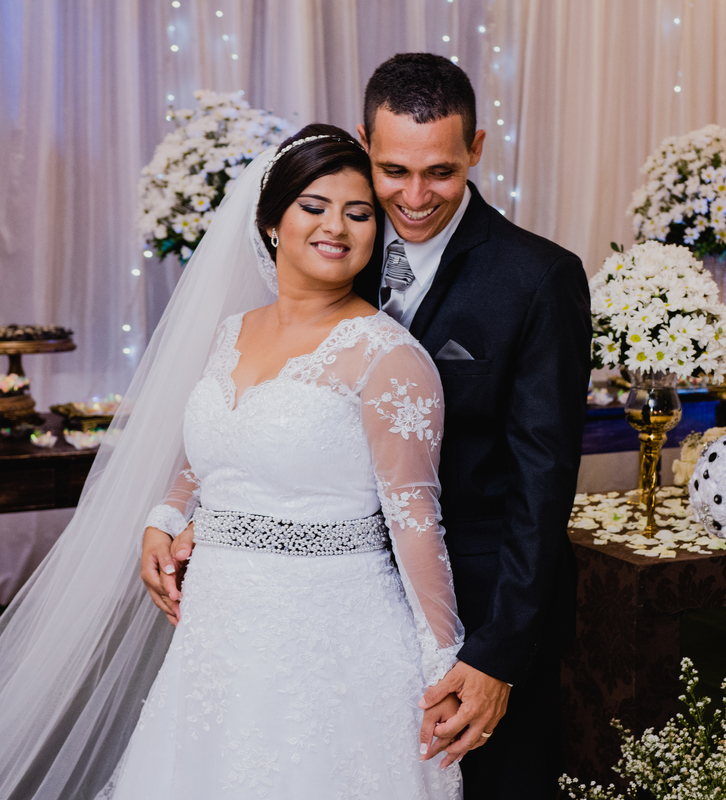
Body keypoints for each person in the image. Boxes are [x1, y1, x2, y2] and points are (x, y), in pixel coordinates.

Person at [150, 54, 592, 799]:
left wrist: (495, 656)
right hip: (312, 614)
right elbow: (274, 419)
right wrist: (185, 515)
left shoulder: (538, 278)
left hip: (478, 611)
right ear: (365, 144)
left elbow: (542, 488)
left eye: (441, 172)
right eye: (393, 171)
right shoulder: (332, 240)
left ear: (476, 149)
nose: (415, 198)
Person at [0, 125, 466, 800]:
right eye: (314, 206)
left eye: (359, 213)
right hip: (216, 638)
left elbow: (416, 522)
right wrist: (165, 516)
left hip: (330, 644)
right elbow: (213, 455)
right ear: (271, 223)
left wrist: (444, 663)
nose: (336, 227)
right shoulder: (231, 333)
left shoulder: (388, 356)